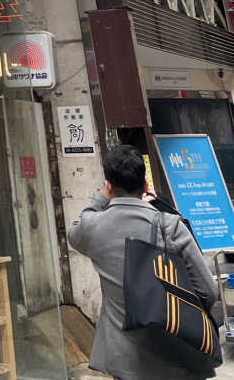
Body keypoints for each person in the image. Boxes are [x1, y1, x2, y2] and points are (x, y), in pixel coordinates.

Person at [68, 144, 220, 380]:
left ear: (108, 186)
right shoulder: (170, 226)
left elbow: (76, 230)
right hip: (178, 357)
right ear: (146, 184)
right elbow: (208, 291)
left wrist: (102, 198)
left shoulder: (92, 228)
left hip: (126, 362)